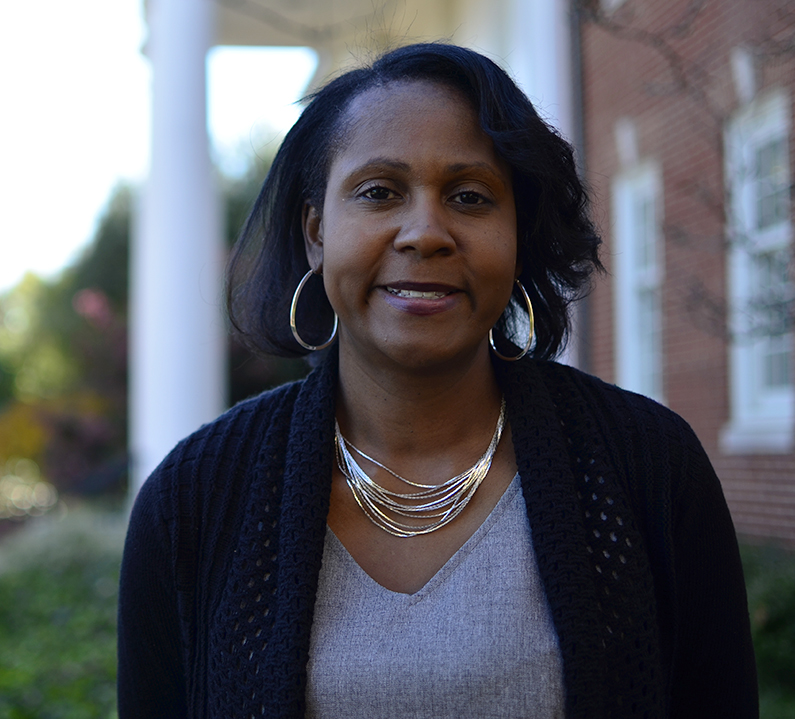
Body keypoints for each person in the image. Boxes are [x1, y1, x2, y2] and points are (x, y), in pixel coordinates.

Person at [118, 43, 758, 718]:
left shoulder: (648, 468)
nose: (425, 232)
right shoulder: (194, 498)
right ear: (316, 232)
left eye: (470, 196)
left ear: (518, 233)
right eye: (379, 192)